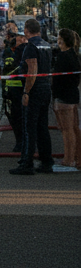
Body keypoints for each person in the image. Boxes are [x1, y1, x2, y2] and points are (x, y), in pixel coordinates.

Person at [10, 16, 54, 175]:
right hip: (46, 89)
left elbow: (32, 71)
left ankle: (26, 163)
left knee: (29, 128)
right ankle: (46, 161)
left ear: (27, 31)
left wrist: (26, 92)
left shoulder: (31, 47)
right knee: (43, 127)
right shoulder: (47, 45)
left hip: (34, 90)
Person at [51, 27, 81, 170]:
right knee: (74, 129)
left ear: (61, 40)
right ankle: (77, 158)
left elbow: (57, 80)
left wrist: (54, 96)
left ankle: (68, 159)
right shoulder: (74, 55)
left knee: (66, 130)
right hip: (73, 95)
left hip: (63, 97)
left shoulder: (63, 56)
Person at [0, 22, 24, 152]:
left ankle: (24, 142)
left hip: (24, 89)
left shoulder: (27, 50)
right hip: (12, 89)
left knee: (24, 118)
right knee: (14, 117)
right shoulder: (8, 51)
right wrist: (4, 90)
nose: (17, 39)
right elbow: (3, 70)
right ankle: (19, 141)